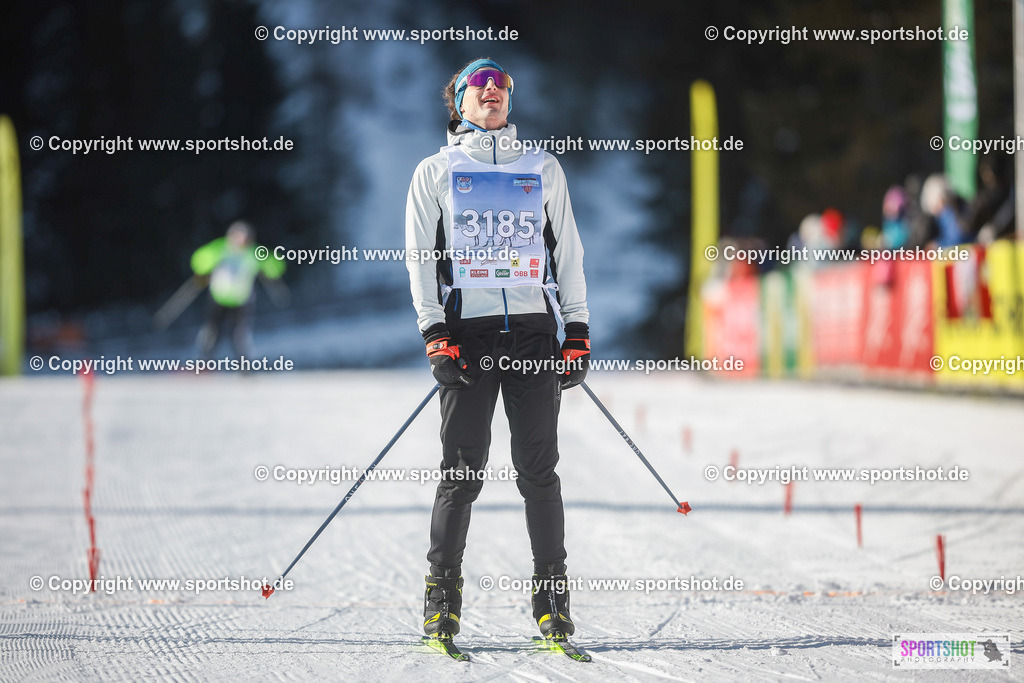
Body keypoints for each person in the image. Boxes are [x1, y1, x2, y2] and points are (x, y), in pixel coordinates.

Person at [405, 58, 590, 645]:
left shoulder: (543, 167)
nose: (492, 90)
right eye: (479, 84)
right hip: (468, 335)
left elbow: (568, 252)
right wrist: (434, 333)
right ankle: (442, 598)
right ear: (458, 101)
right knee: (461, 472)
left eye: (501, 84)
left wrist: (577, 329)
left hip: (534, 333)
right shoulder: (435, 171)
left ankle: (552, 600)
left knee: (539, 472)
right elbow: (419, 258)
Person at [190, 221, 285, 358]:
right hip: (219, 296)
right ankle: (204, 359)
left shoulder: (254, 252)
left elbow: (277, 266)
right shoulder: (220, 249)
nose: (239, 240)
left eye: (243, 237)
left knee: (240, 332)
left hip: (241, 299)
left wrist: (267, 266)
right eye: (236, 236)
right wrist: (210, 262)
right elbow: (198, 261)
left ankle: (243, 362)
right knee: (212, 329)